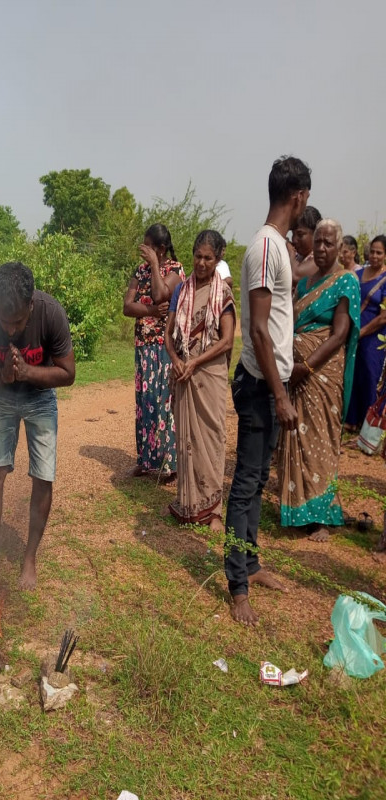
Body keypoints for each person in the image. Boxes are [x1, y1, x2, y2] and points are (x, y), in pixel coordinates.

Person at [225, 155, 311, 627]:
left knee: (258, 482)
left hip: (272, 384)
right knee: (244, 485)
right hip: (260, 388)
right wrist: (280, 396)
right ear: (297, 197)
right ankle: (237, 583)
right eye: (306, 199)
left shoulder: (278, 247)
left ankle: (251, 564)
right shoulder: (262, 247)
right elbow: (257, 329)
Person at [0, 261, 75, 593]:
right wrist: (2, 376)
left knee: (42, 474)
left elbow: (68, 373)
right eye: (5, 321)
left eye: (18, 322)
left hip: (40, 397)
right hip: (1, 396)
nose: (11, 330)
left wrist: (27, 373)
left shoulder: (50, 312)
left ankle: (29, 559)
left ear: (31, 306)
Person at [277, 219, 360, 542]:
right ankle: (296, 507)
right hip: (297, 372)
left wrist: (306, 368)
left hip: (322, 374)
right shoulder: (308, 279)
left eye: (328, 243)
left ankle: (320, 517)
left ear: (340, 248)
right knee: (296, 435)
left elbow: (339, 335)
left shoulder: (345, 281)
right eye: (319, 242)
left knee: (320, 439)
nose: (322, 249)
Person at [164, 230, 236, 533]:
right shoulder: (181, 290)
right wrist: (178, 360)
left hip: (210, 373)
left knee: (212, 437)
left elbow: (228, 339)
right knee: (188, 439)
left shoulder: (223, 294)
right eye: (198, 256)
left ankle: (214, 510)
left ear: (218, 259)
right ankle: (189, 503)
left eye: (208, 257)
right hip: (184, 372)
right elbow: (168, 335)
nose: (202, 262)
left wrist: (195, 361)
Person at [123, 223, 184, 479]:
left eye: (148, 246)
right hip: (143, 346)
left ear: (160, 249)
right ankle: (146, 459)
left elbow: (161, 294)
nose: (143, 251)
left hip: (164, 345)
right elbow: (127, 307)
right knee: (145, 403)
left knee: (164, 402)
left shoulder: (175, 270)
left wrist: (156, 267)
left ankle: (169, 463)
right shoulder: (139, 271)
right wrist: (149, 311)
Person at [345, 235, 386, 431]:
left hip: (374, 336)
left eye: (379, 252)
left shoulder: (385, 279)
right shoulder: (358, 275)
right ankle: (351, 420)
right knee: (353, 373)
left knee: (370, 376)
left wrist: (362, 332)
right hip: (354, 333)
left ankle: (368, 426)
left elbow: (384, 316)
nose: (375, 256)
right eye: (373, 251)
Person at [289, 206, 322, 286]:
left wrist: (290, 251)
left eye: (300, 235)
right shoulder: (298, 257)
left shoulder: (319, 259)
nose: (294, 240)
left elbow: (295, 276)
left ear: (315, 233)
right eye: (293, 234)